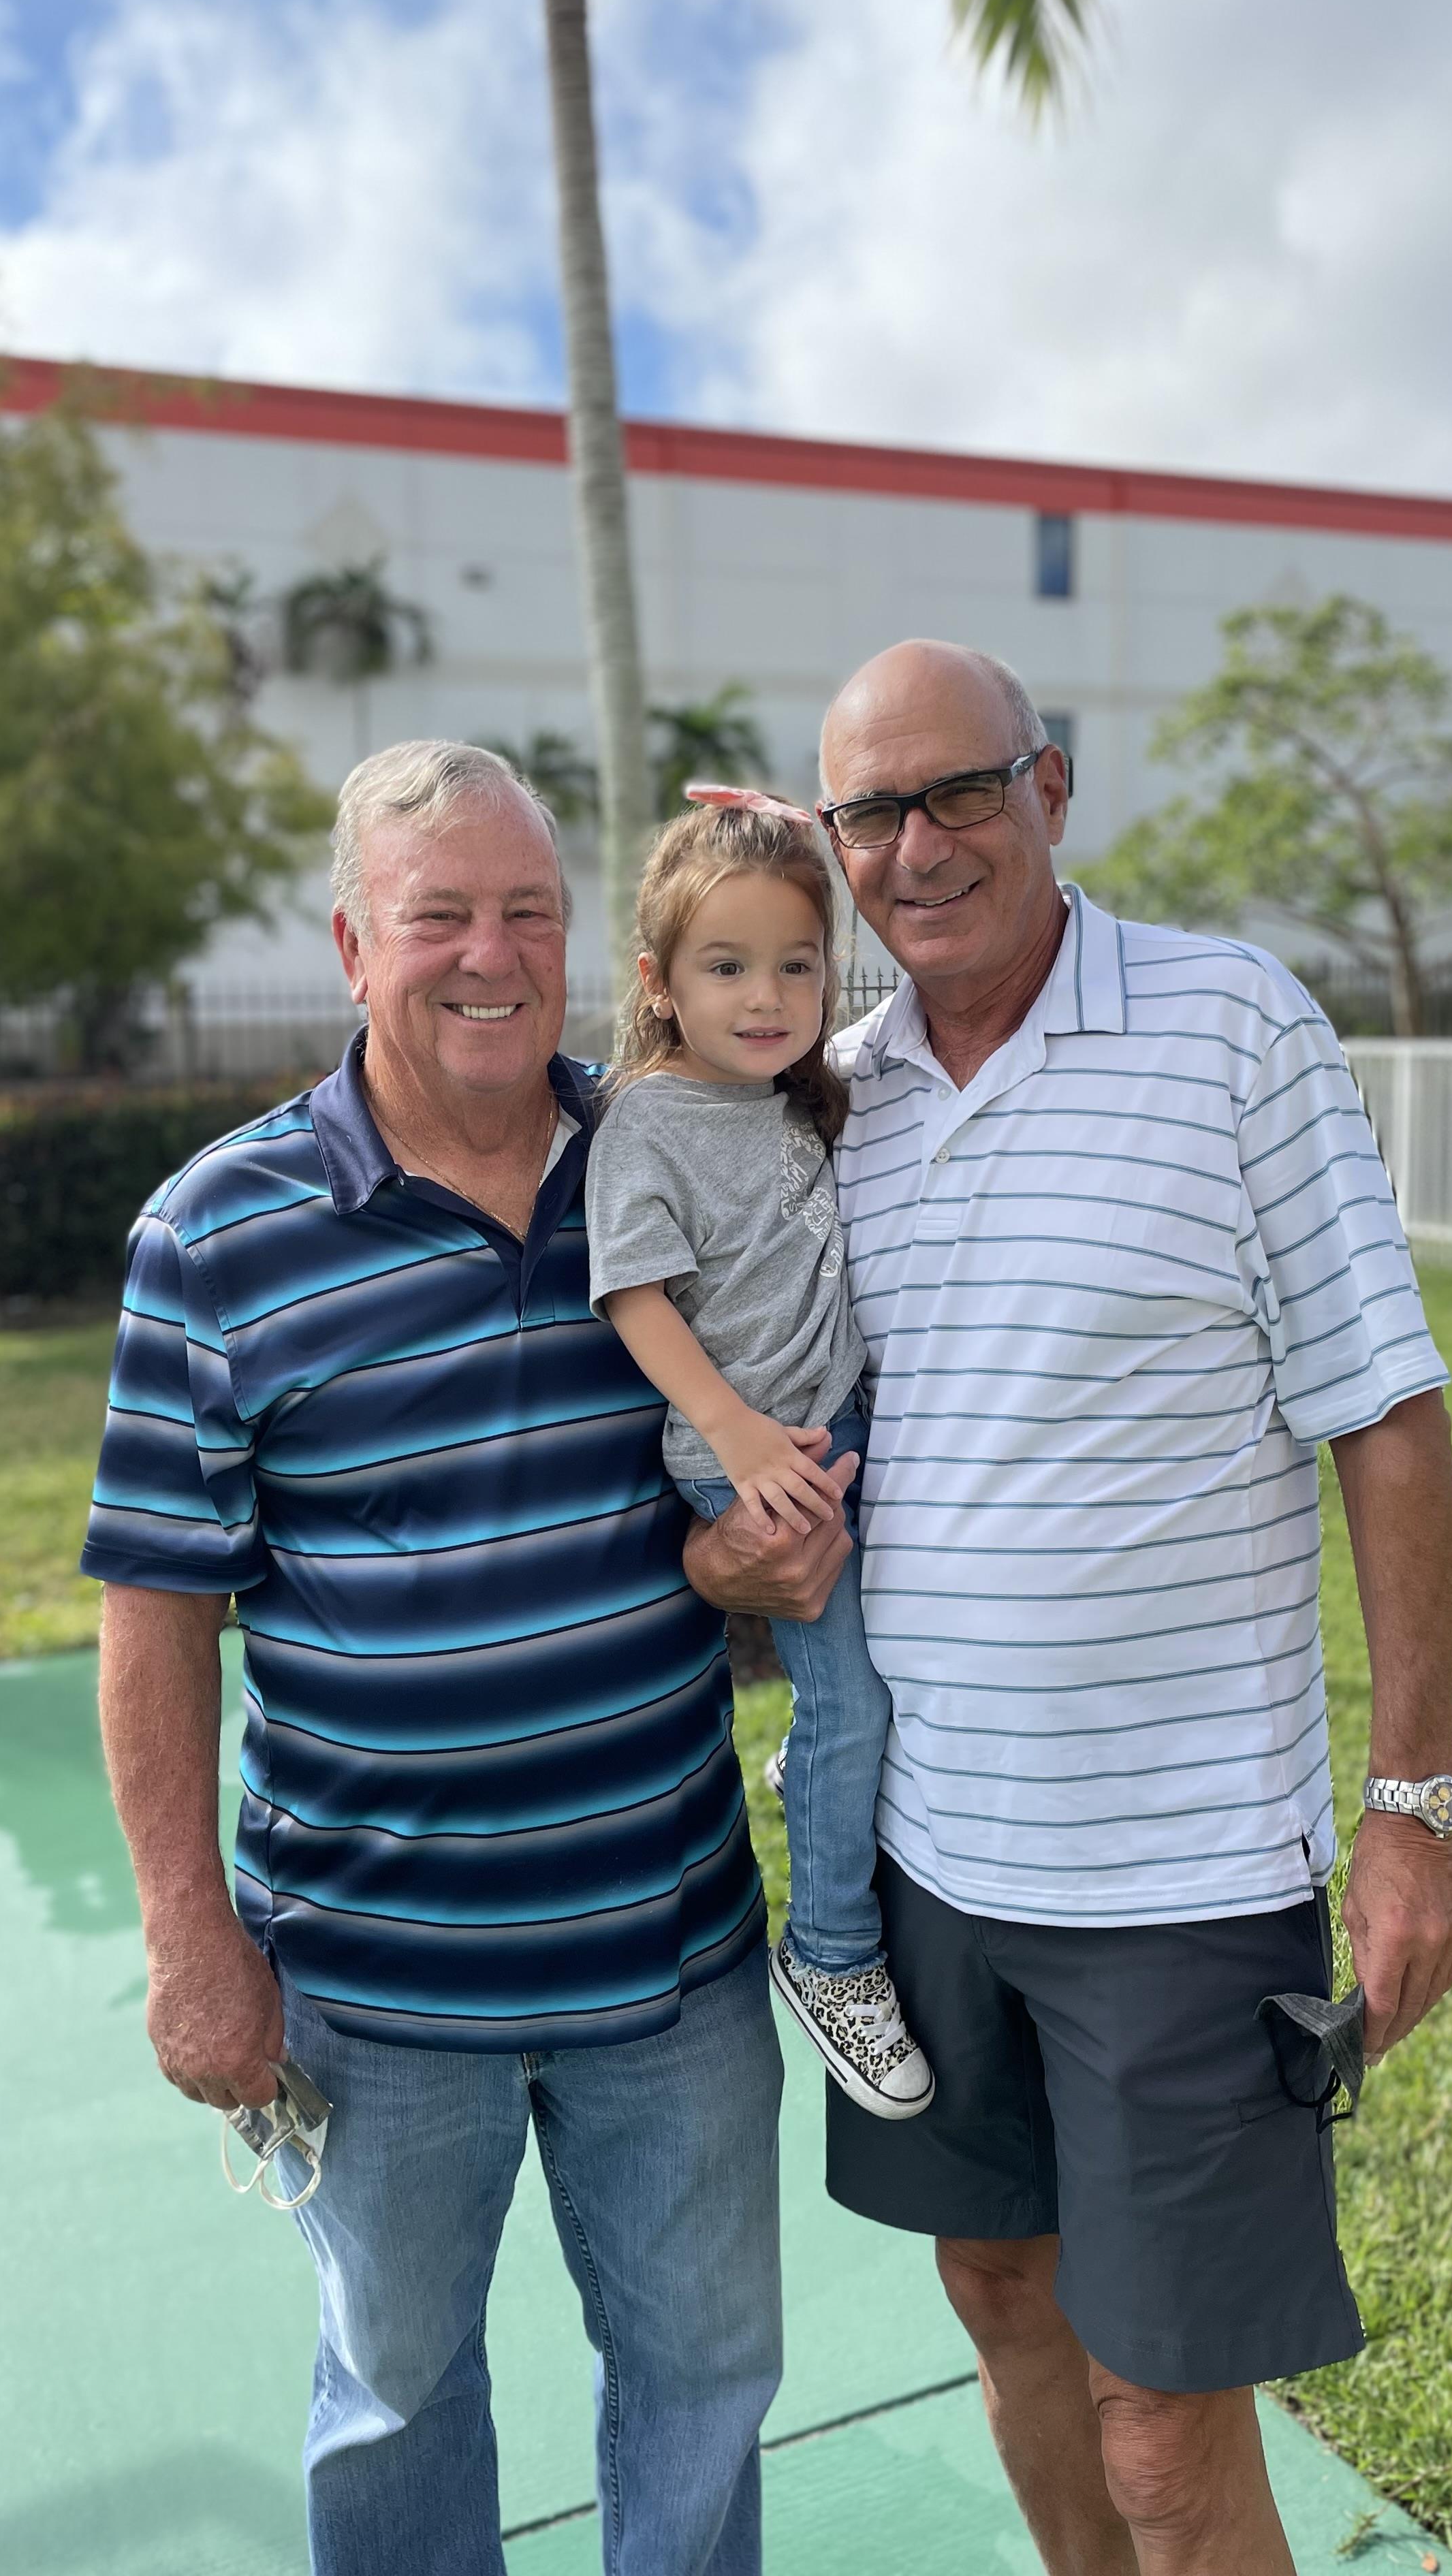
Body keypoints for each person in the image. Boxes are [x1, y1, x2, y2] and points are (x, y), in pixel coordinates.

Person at [682, 641, 1452, 2576]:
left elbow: (1384, 1412)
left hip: (1183, 1882)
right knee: (1000, 2302)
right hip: (926, 1867)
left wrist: (1412, 1802)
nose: (921, 847)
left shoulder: (1232, 1027)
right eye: (873, 812)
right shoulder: (824, 1099)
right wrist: (727, 1567)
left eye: (963, 791)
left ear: (1051, 789)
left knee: (1164, 2428)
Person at [82, 740, 783, 2576]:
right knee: (395, 2395)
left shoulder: (672, 1155)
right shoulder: (215, 1236)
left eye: (529, 913)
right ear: (350, 945)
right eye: (440, 916)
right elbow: (155, 1611)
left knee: (708, 2382)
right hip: (373, 1983)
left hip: (674, 1953)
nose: (492, 954)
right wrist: (187, 1939)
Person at [584, 786, 932, 2120]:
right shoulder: (649, 1121)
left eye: (797, 965)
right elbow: (633, 1294)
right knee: (856, 1700)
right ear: (660, 985)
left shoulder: (791, 1094)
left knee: (900, 1662)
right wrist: (732, 1435)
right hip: (751, 1451)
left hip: (832, 1425)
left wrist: (804, 840)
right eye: (725, 967)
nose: (767, 995)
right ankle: (833, 1955)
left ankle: (816, 1766)